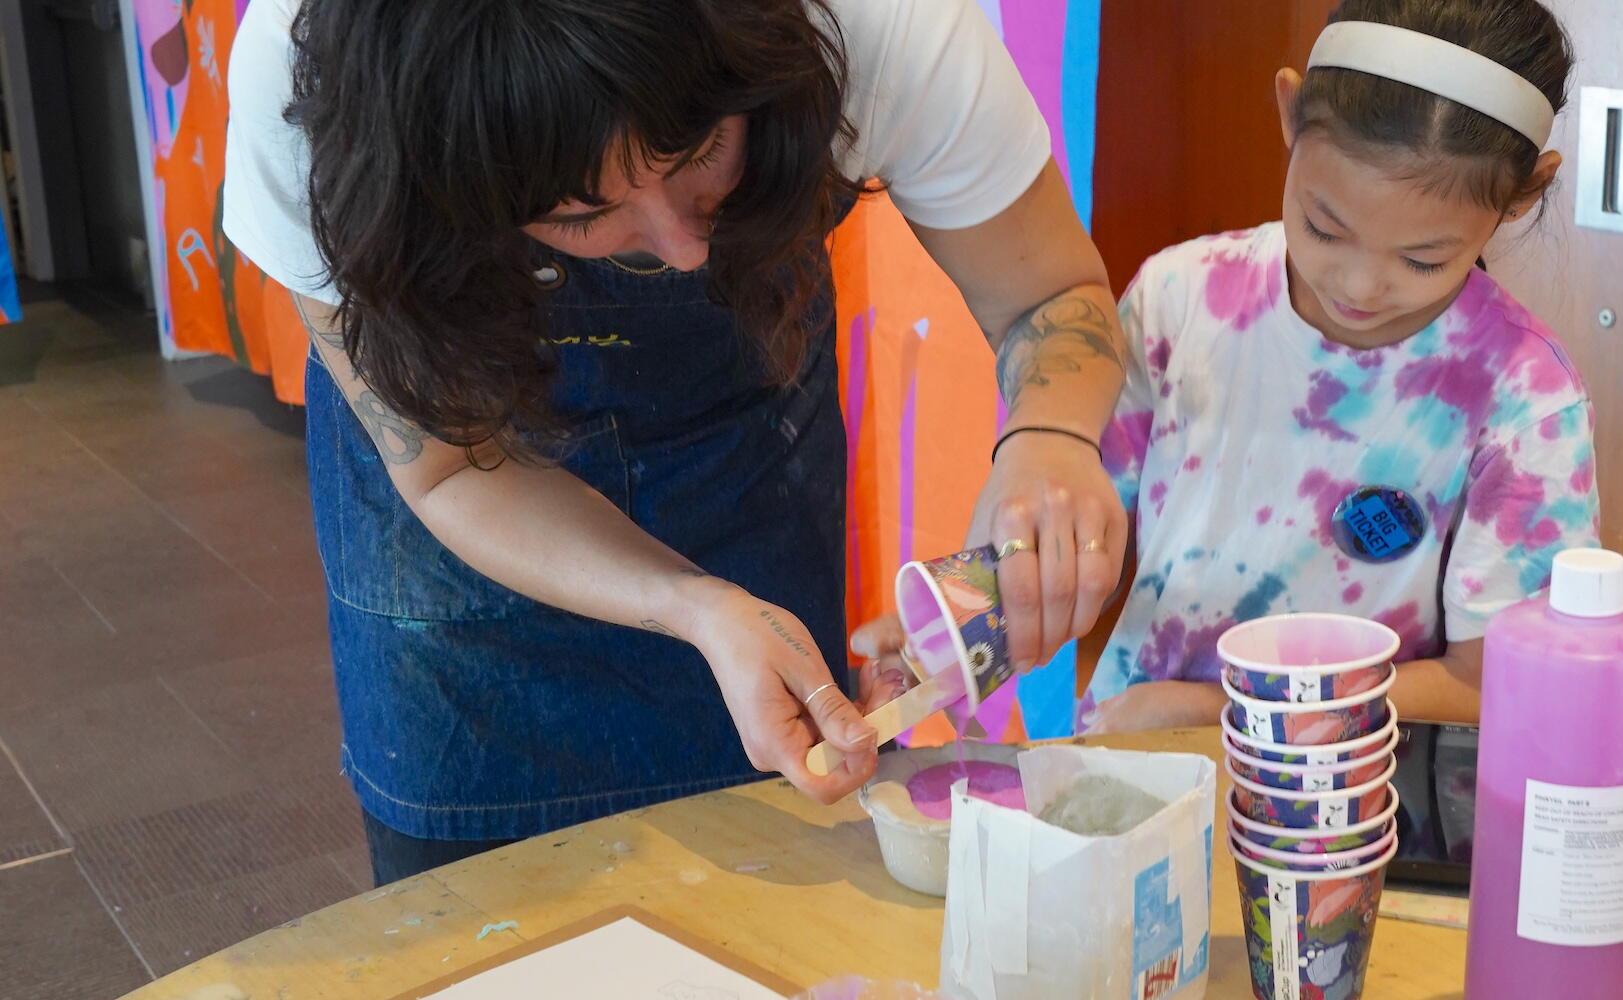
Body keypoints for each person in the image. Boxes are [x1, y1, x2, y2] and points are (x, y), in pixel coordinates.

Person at [222, 0, 1129, 885]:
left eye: (699, 153)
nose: (683, 252)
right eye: (583, 215)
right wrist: (694, 606)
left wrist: (1048, 439)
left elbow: (1048, 297)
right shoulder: (321, 92)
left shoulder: (874, 18)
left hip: (742, 468)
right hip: (463, 572)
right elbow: (448, 469)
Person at [1073, 0, 1599, 732]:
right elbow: (1076, 541)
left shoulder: (1521, 394)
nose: (1358, 287)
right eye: (1324, 225)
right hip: (1143, 780)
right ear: (1290, 111)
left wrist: (1221, 712)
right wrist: (952, 630)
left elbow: (1491, 685)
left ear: (1523, 193)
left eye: (1423, 259)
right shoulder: (1181, 299)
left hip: (1357, 819)